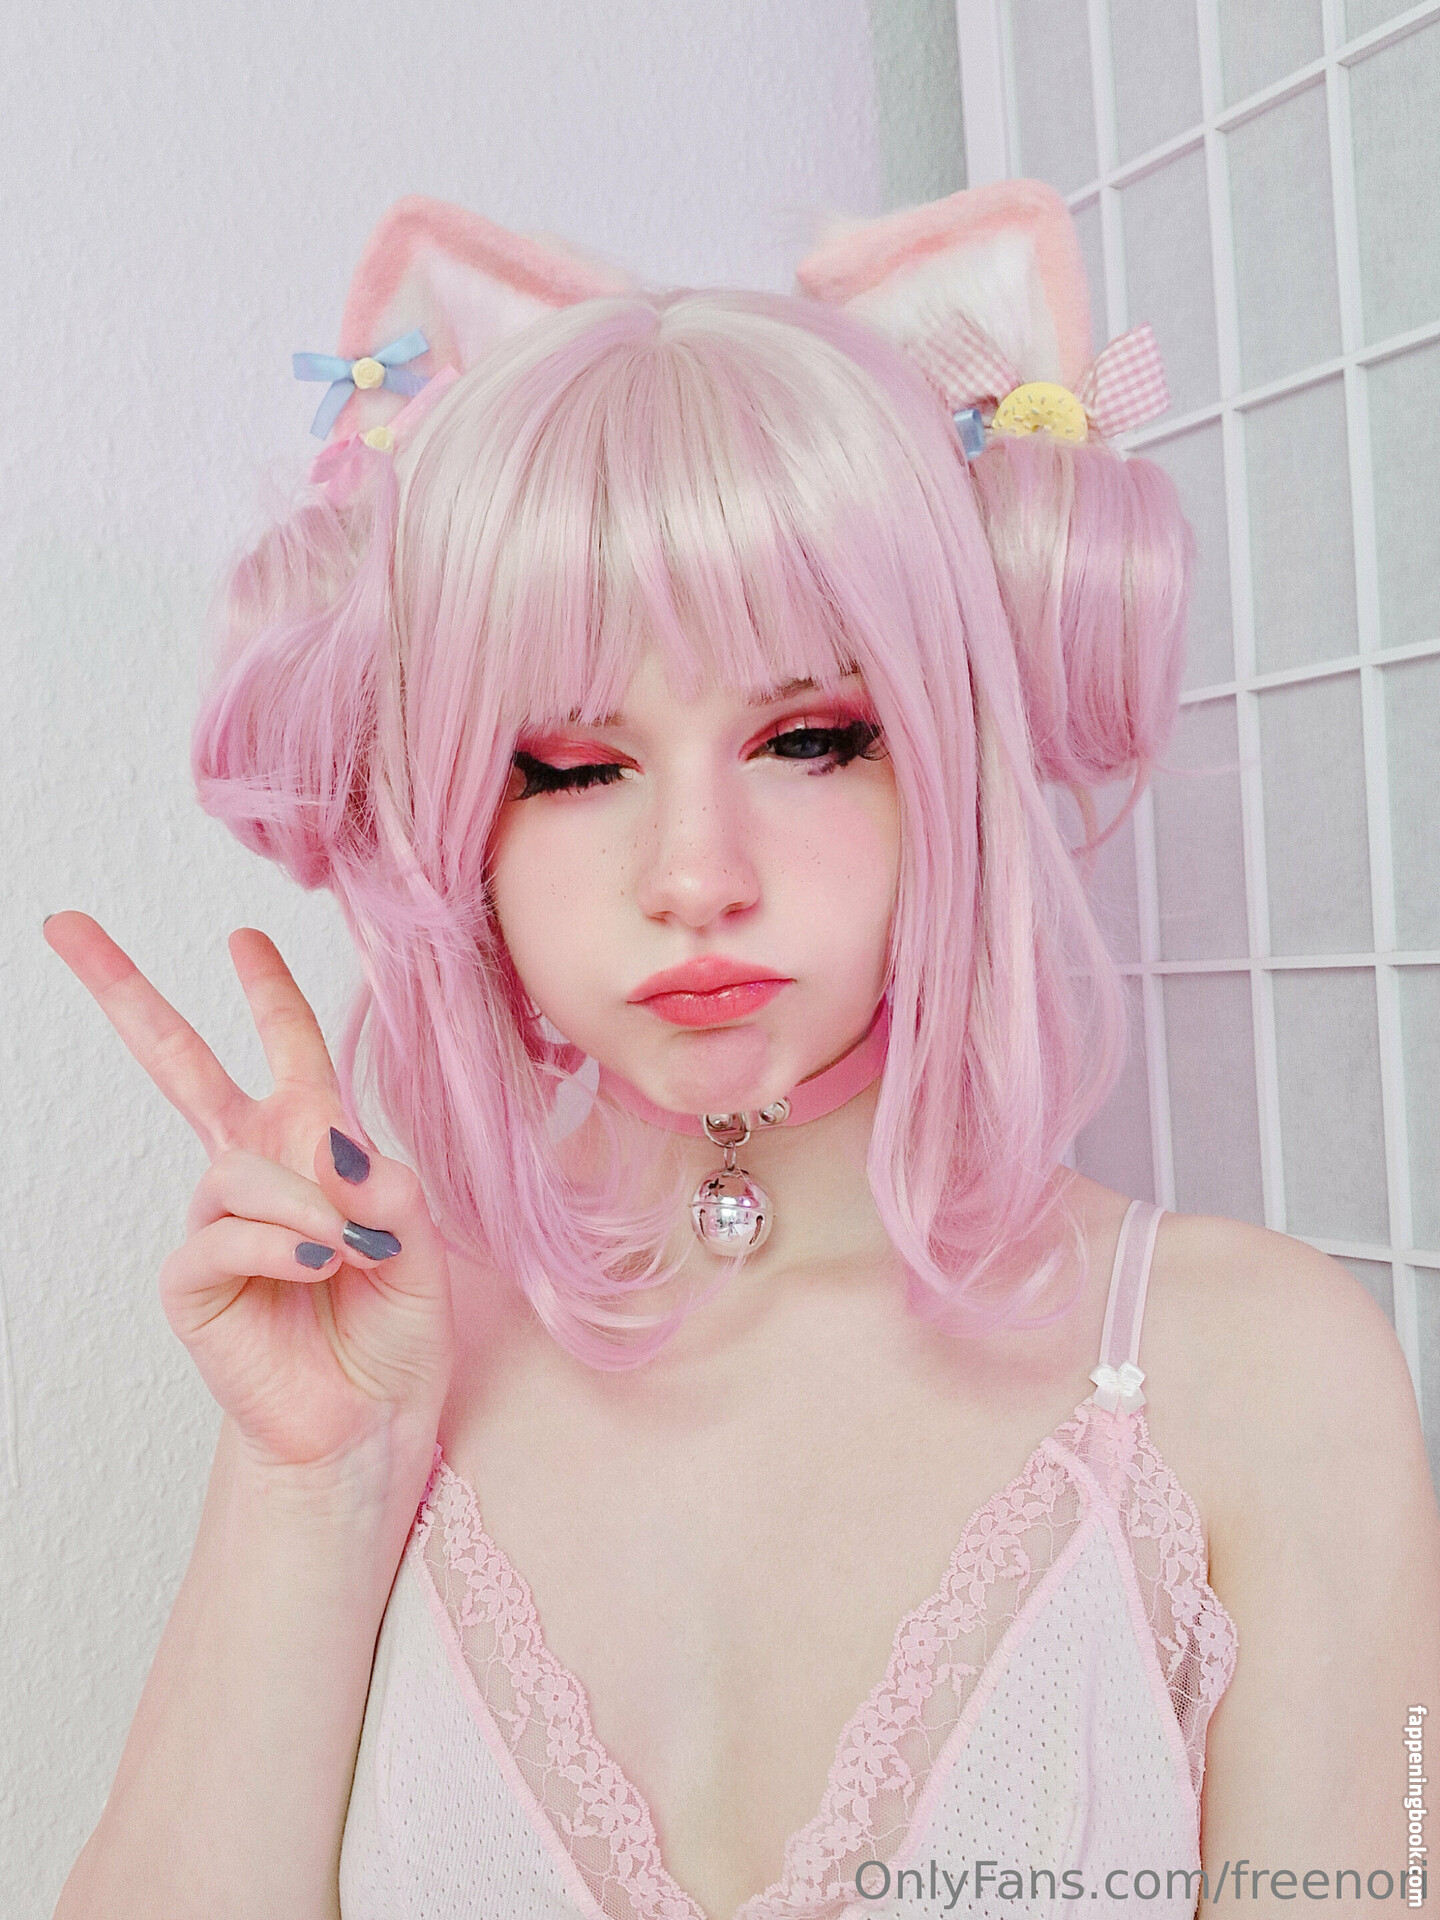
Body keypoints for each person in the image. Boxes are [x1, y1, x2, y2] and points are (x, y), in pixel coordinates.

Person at [47, 183, 1439, 1920]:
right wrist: (307, 1488)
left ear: (950, 752)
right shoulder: (378, 1374)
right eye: (573, 767)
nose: (695, 875)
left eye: (811, 738)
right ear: (453, 818)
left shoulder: (1258, 1369)